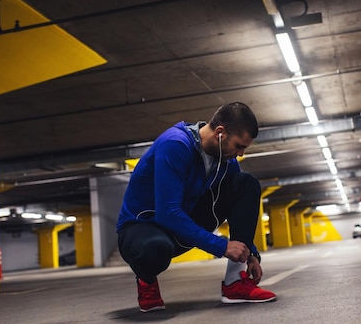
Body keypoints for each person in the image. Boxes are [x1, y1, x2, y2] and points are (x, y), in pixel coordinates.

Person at [116, 102, 277, 312]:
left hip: (184, 222)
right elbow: (168, 214)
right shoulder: (175, 144)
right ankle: (146, 281)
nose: (240, 154)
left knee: (245, 183)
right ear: (220, 133)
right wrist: (222, 246)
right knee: (154, 249)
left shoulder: (226, 162)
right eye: (239, 146)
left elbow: (238, 206)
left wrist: (251, 253)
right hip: (143, 227)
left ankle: (235, 282)